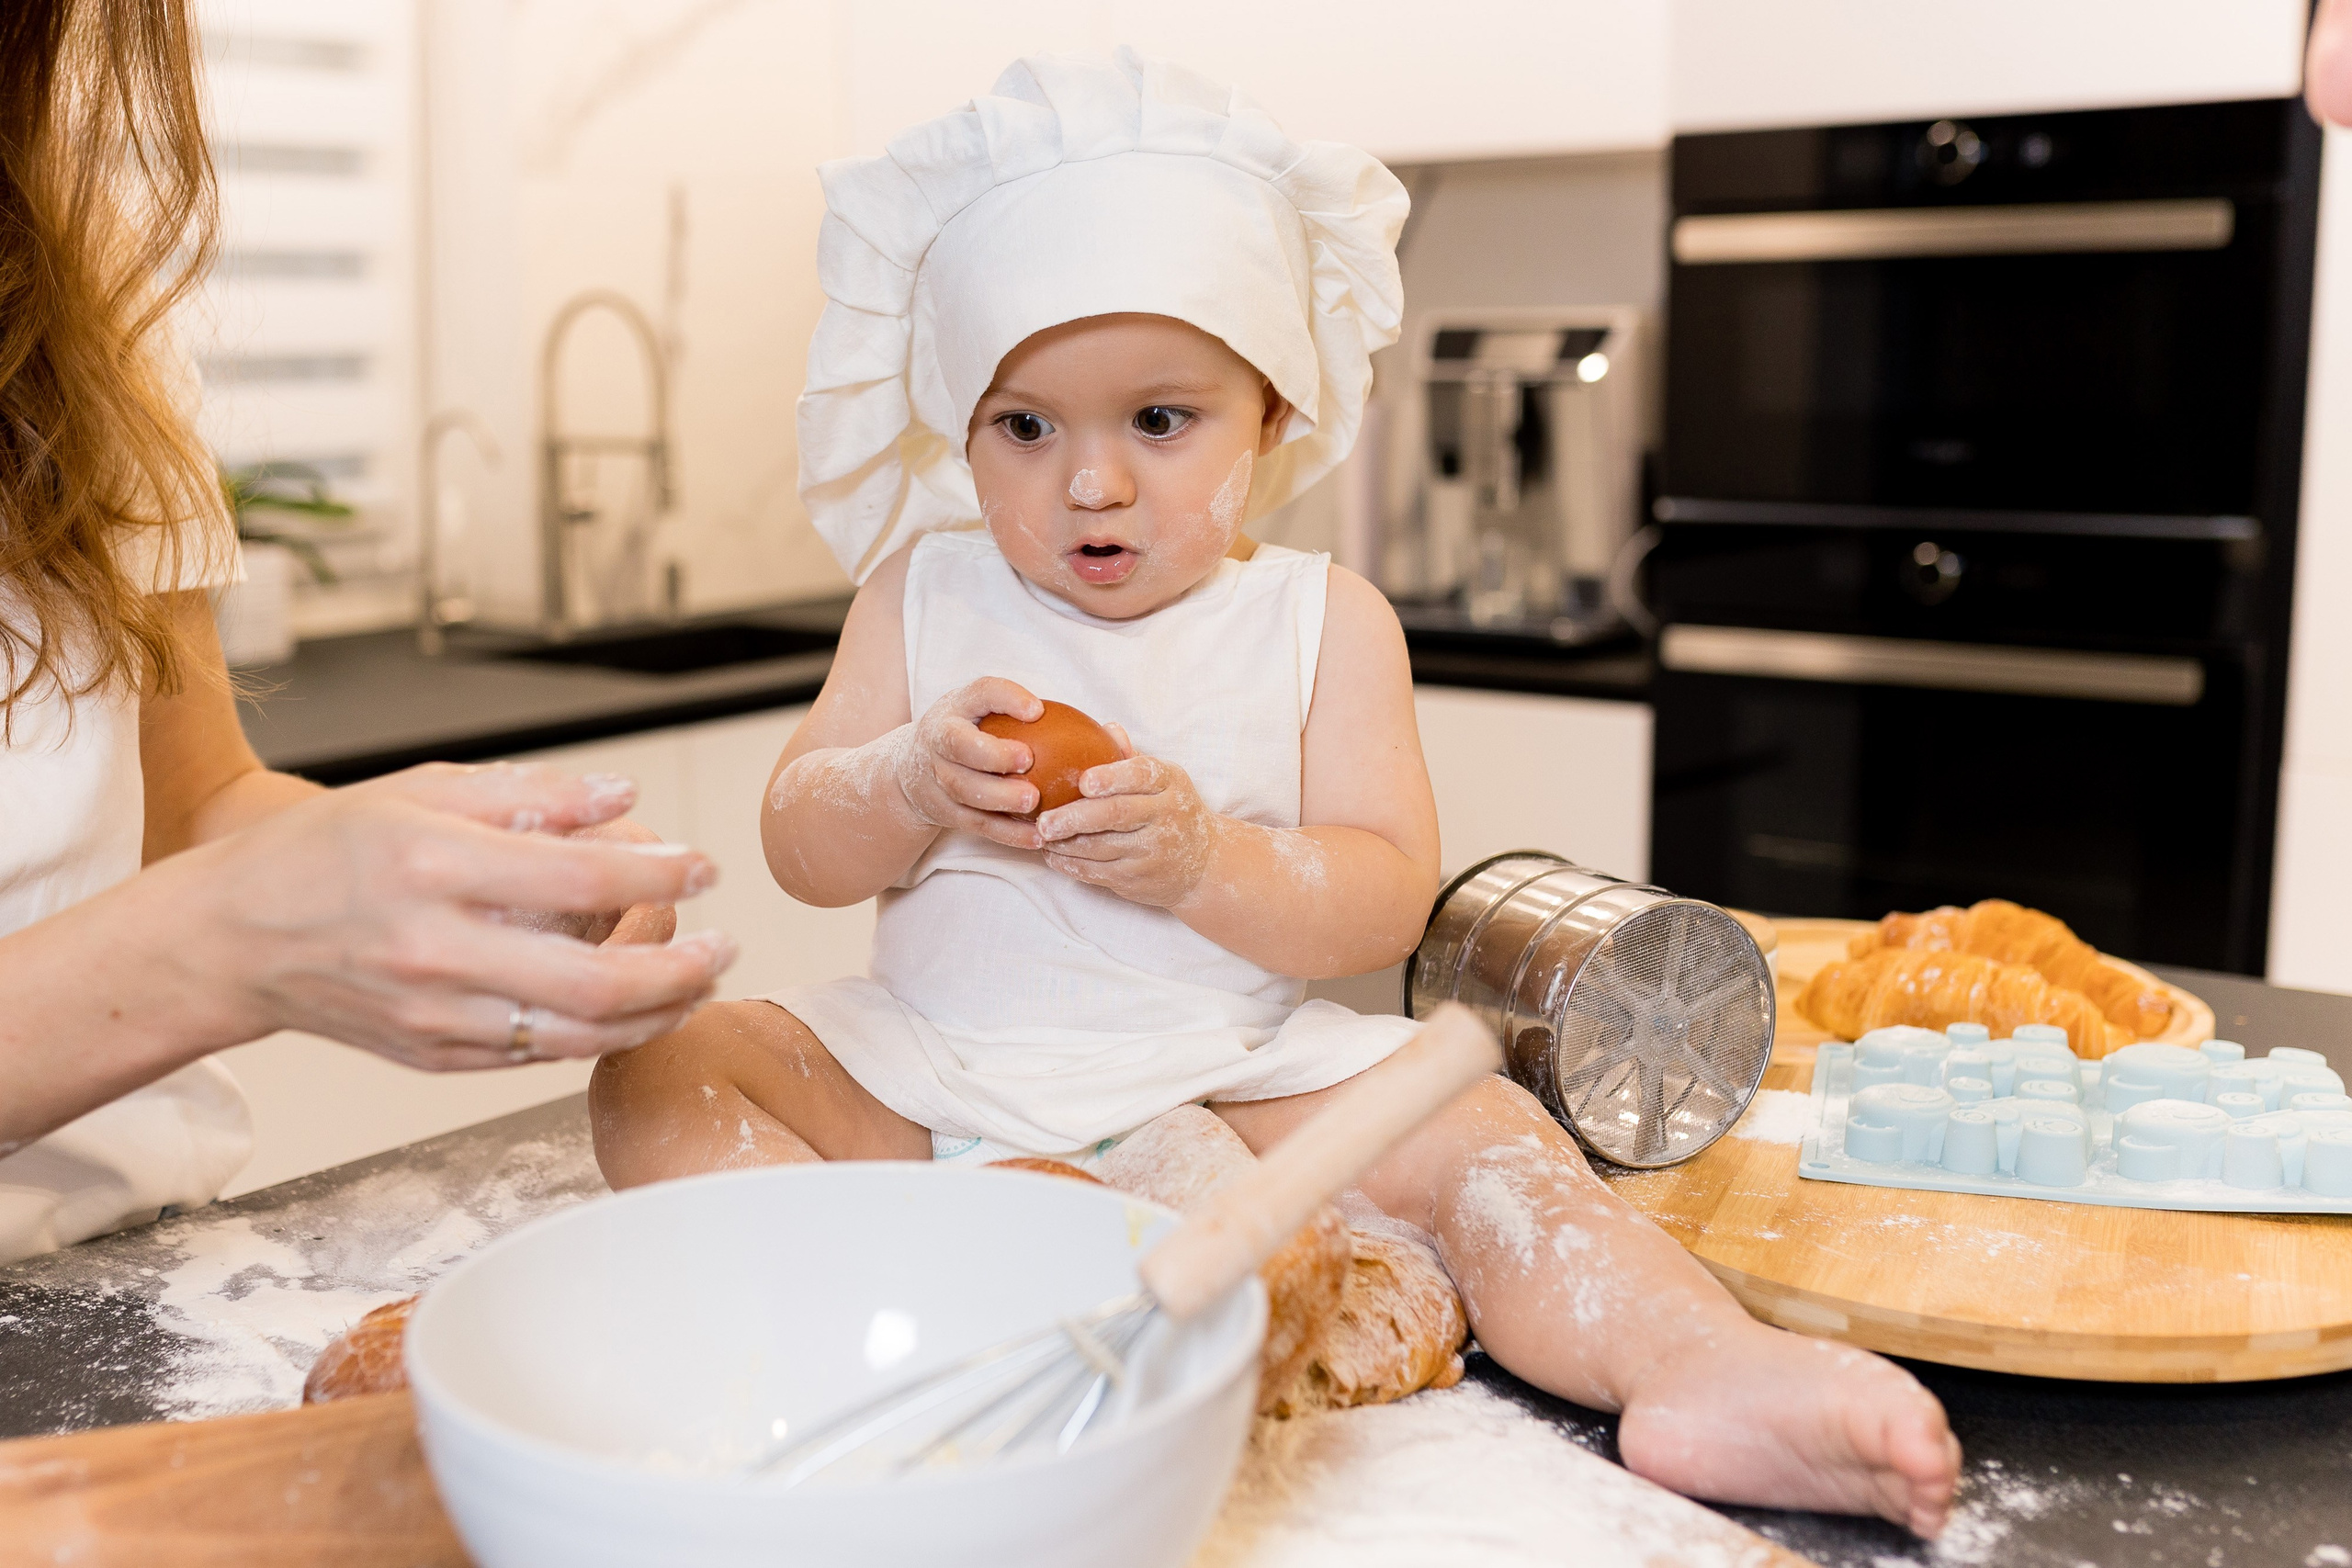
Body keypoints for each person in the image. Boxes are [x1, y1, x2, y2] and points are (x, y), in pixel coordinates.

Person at [588, 51, 1962, 1536]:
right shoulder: (921, 593)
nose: (1091, 484)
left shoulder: (1324, 622)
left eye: (1158, 421)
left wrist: (1204, 862)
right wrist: (905, 778)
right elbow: (800, 842)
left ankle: (1699, 1367)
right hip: (935, 1082)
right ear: (960, 427)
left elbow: (1380, 897)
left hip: (1231, 1090)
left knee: (1491, 1143)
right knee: (666, 1070)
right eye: (1025, 427)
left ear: (1273, 414)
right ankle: (877, 1304)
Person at [0, 0, 733, 1262]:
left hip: (132, 1255)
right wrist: (219, 943)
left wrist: (465, 869)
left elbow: (191, 802)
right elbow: (202, 908)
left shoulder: (65, 281)